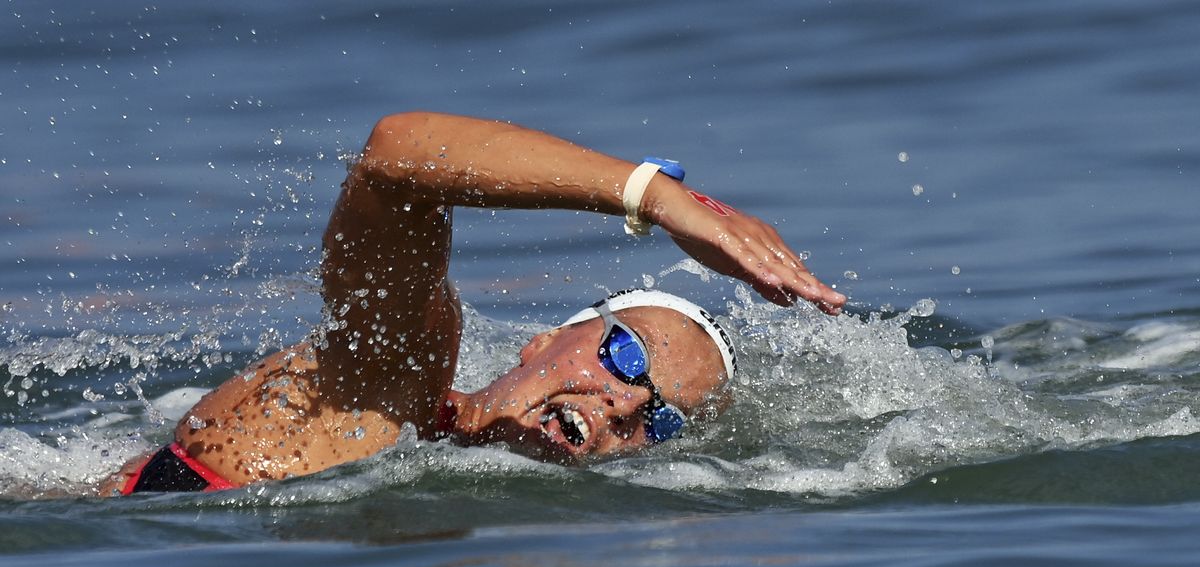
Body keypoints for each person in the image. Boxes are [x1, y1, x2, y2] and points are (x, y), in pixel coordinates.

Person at [101, 111, 846, 495]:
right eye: (627, 355)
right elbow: (396, 159)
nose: (624, 404)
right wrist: (654, 197)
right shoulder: (390, 387)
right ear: (544, 340)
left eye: (661, 419)